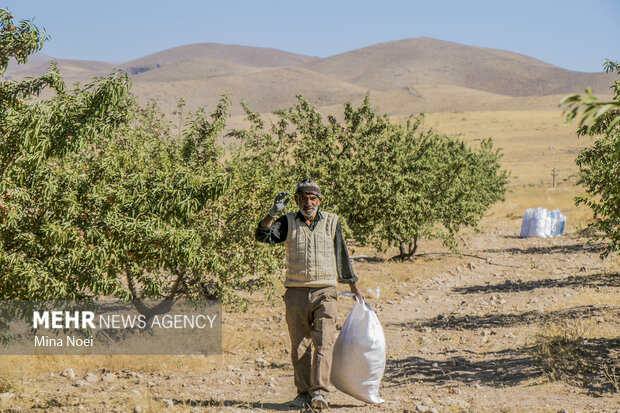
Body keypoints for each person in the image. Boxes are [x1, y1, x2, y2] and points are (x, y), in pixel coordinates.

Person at [255, 177, 363, 410]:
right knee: (300, 346)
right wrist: (273, 213)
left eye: (313, 198)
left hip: (326, 290)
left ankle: (320, 394)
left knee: (324, 343)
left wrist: (352, 284)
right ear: (296, 200)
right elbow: (262, 236)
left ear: (320, 200)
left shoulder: (332, 221)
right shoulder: (287, 222)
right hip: (296, 291)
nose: (308, 202)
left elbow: (341, 253)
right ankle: (303, 393)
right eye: (303, 198)